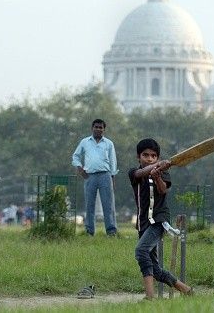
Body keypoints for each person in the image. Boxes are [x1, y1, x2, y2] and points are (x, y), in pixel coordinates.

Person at [129, 138, 193, 300]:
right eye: (145, 155)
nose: (149, 158)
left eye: (153, 156)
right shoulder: (134, 173)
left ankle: (149, 298)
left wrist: (158, 175)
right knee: (155, 270)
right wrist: (156, 166)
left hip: (159, 221)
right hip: (143, 223)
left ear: (157, 157)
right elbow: (141, 173)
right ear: (138, 157)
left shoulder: (164, 173)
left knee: (141, 251)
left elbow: (163, 190)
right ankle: (187, 291)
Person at [72, 119, 118, 236]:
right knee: (89, 205)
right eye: (96, 127)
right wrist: (79, 168)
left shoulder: (108, 143)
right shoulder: (85, 142)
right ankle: (89, 231)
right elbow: (76, 156)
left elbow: (113, 161)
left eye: (100, 127)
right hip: (89, 176)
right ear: (92, 128)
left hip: (105, 175)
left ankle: (111, 231)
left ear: (104, 129)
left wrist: (112, 178)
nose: (98, 129)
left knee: (108, 205)